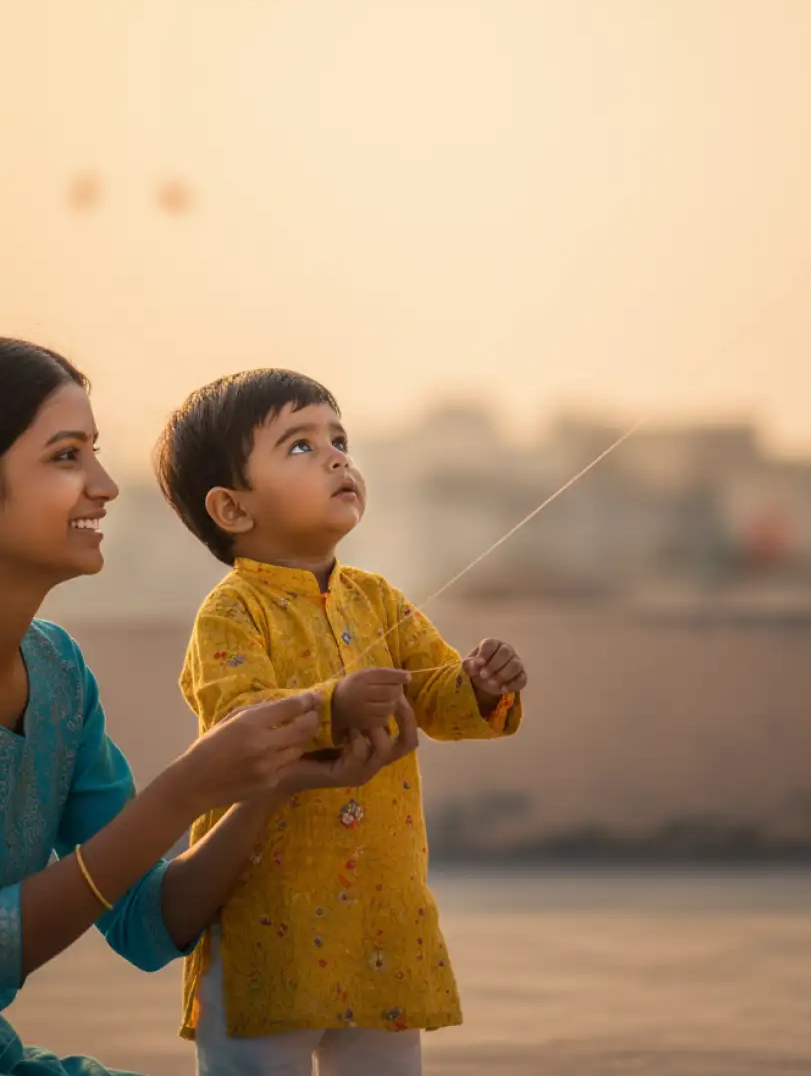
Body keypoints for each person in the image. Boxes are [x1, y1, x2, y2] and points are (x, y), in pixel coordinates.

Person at [0, 338, 419, 1076]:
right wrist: (186, 788)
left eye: (95, 452)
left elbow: (148, 925)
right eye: (67, 456)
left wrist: (269, 782)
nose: (104, 484)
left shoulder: (58, 675)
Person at [154, 368, 528, 1074]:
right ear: (232, 510)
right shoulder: (231, 613)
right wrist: (333, 707)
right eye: (300, 446)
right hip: (267, 925)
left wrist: (481, 686)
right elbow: (239, 722)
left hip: (381, 924)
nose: (335, 456)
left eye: (339, 438)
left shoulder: (378, 598)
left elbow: (439, 699)